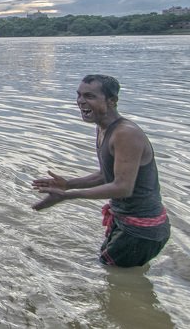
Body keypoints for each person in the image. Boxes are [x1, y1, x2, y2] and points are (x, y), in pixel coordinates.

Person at [32, 75, 170, 267]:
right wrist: (69, 183)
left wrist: (68, 195)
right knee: (110, 271)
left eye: (89, 96)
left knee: (117, 282)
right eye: (79, 95)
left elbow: (122, 187)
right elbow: (106, 175)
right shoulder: (103, 128)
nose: (81, 101)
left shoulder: (125, 133)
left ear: (112, 101)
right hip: (126, 223)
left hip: (141, 231)